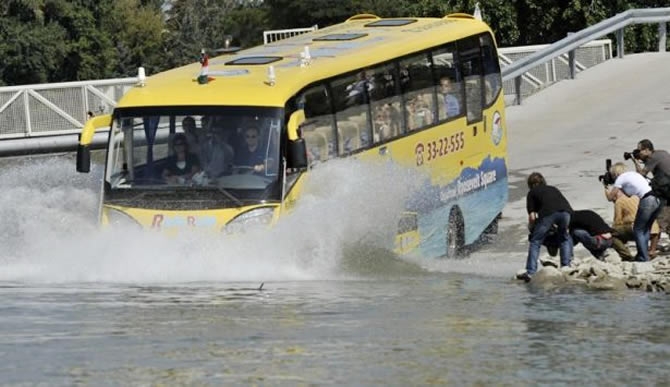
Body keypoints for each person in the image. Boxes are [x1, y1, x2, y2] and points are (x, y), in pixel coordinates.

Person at [517, 172, 573, 282]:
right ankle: (566, 266)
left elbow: (532, 217)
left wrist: (532, 228)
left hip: (548, 214)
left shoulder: (532, 193)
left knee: (535, 241)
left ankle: (531, 271)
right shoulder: (553, 188)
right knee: (564, 238)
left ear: (530, 184)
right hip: (566, 213)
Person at [605, 161, 662, 262]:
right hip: (657, 199)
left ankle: (643, 257)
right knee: (645, 229)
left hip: (647, 199)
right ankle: (644, 255)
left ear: (615, 174)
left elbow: (610, 198)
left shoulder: (620, 179)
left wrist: (606, 187)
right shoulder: (633, 175)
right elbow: (629, 194)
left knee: (638, 230)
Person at [608, 189, 661, 260]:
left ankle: (627, 256)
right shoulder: (638, 196)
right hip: (654, 229)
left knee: (612, 234)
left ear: (615, 196)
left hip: (636, 228)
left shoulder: (619, 201)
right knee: (653, 227)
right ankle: (652, 250)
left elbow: (618, 221)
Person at [543, 210, 615, 260]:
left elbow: (568, 239)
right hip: (608, 240)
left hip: (601, 240)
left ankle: (569, 259)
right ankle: (600, 255)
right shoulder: (578, 216)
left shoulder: (570, 221)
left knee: (576, 233)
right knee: (581, 235)